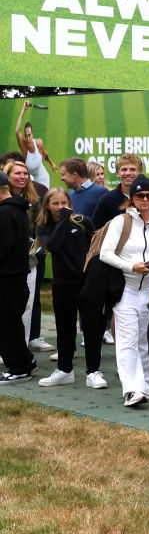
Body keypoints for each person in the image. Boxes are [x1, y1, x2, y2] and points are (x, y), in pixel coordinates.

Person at [98, 176, 149, 407]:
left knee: (146, 339)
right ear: (132, 199)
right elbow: (105, 253)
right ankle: (131, 389)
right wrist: (132, 266)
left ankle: (145, 385)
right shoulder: (121, 221)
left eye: (148, 196)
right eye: (139, 196)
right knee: (127, 340)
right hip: (125, 289)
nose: (144, 199)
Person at [36, 188, 100, 388]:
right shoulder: (44, 227)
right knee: (65, 328)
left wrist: (94, 275)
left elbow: (96, 247)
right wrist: (64, 221)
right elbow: (53, 247)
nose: (61, 207)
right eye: (56, 203)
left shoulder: (83, 222)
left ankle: (94, 372)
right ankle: (64, 370)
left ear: (70, 204)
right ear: (47, 205)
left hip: (86, 282)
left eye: (64, 203)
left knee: (91, 327)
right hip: (62, 284)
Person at [0, 162, 37, 384]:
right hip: (14, 278)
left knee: (7, 325)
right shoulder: (16, 209)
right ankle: (25, 360)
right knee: (11, 323)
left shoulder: (7, 213)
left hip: (7, 279)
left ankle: (19, 368)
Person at [14, 101, 55, 189]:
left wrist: (52, 164)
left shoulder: (39, 143)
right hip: (32, 182)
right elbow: (17, 131)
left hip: (44, 179)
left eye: (29, 135)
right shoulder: (24, 148)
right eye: (25, 136)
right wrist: (23, 110)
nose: (27, 139)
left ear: (32, 134)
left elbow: (45, 154)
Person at [59, 156, 107, 227]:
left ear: (74, 175)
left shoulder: (102, 192)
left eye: (63, 175)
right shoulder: (69, 195)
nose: (61, 179)